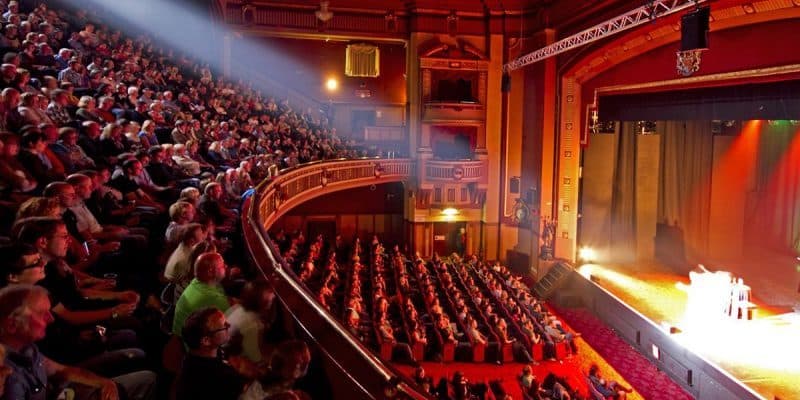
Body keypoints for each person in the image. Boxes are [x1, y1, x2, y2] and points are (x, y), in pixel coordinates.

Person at [0, 285, 156, 400]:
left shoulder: (26, 347)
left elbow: (61, 370)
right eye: (41, 314)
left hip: (64, 390)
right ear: (12, 325)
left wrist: (104, 383)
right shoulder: (7, 376)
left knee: (145, 377)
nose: (51, 319)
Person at [175, 307, 249, 400]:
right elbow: (245, 389)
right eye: (224, 326)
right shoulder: (219, 376)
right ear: (206, 340)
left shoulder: (191, 358)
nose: (229, 325)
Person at [172, 252, 231, 337]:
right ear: (210, 272)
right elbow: (232, 321)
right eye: (222, 265)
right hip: (192, 346)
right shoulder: (213, 298)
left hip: (183, 337)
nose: (226, 266)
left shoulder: (197, 281)